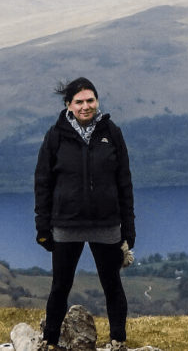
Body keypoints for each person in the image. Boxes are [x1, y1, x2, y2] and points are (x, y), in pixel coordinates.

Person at [34, 77, 136, 351]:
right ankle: (50, 342)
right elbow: (43, 182)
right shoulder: (55, 136)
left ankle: (118, 341)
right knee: (60, 286)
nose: (85, 106)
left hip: (106, 224)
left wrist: (129, 229)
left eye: (90, 100)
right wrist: (43, 228)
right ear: (68, 105)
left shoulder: (111, 133)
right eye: (79, 101)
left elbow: (124, 182)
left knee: (112, 284)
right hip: (66, 224)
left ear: (97, 101)